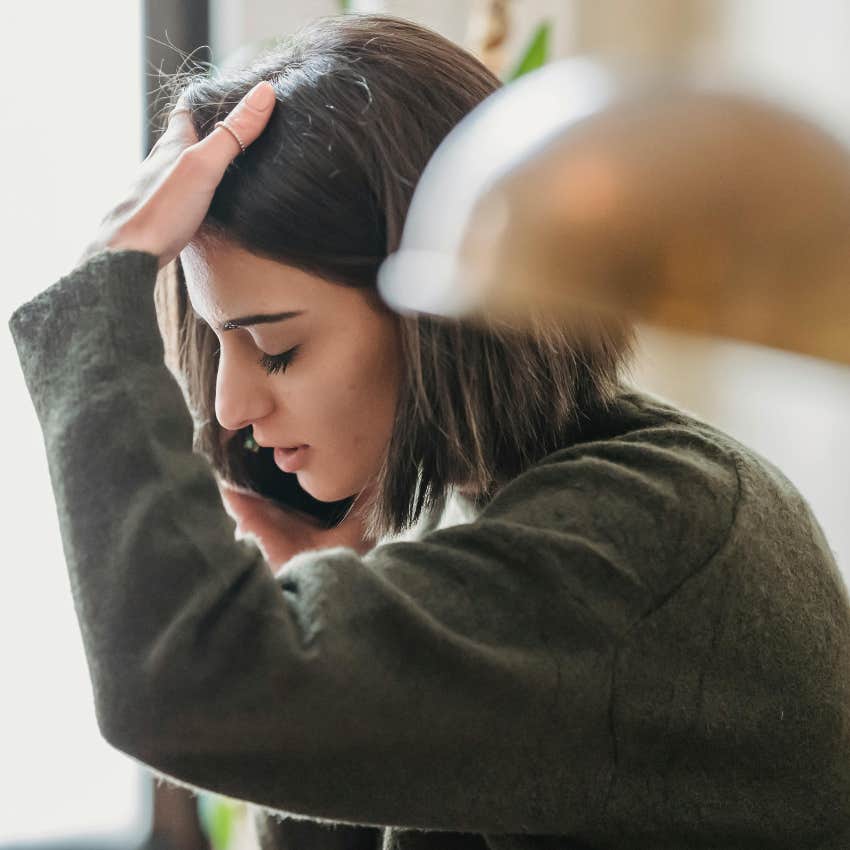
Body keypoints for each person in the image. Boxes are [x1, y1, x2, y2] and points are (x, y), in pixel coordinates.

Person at [8, 13, 850, 850]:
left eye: (277, 347)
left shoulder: (654, 530)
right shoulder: (518, 513)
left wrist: (98, 292)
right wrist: (334, 616)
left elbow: (183, 683)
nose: (231, 408)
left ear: (434, 320)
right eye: (222, 344)